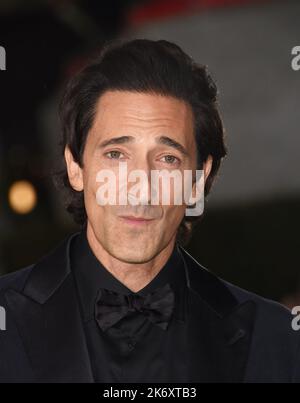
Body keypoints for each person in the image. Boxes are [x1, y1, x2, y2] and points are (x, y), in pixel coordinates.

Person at [0, 38, 299, 383]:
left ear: (198, 181)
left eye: (167, 159)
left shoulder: (278, 342)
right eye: (116, 155)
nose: (141, 186)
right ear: (75, 167)